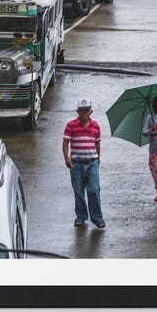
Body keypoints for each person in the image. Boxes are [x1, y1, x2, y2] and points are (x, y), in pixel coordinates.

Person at [62, 97, 105, 229]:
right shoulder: (71, 125)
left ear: (90, 112)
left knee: (94, 190)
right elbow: (65, 142)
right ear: (77, 112)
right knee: (79, 192)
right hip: (76, 164)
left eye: (86, 111)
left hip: (92, 163)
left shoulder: (96, 126)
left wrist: (98, 158)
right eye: (81, 111)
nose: (84, 114)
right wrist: (67, 158)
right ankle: (81, 216)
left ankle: (97, 217)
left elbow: (97, 143)